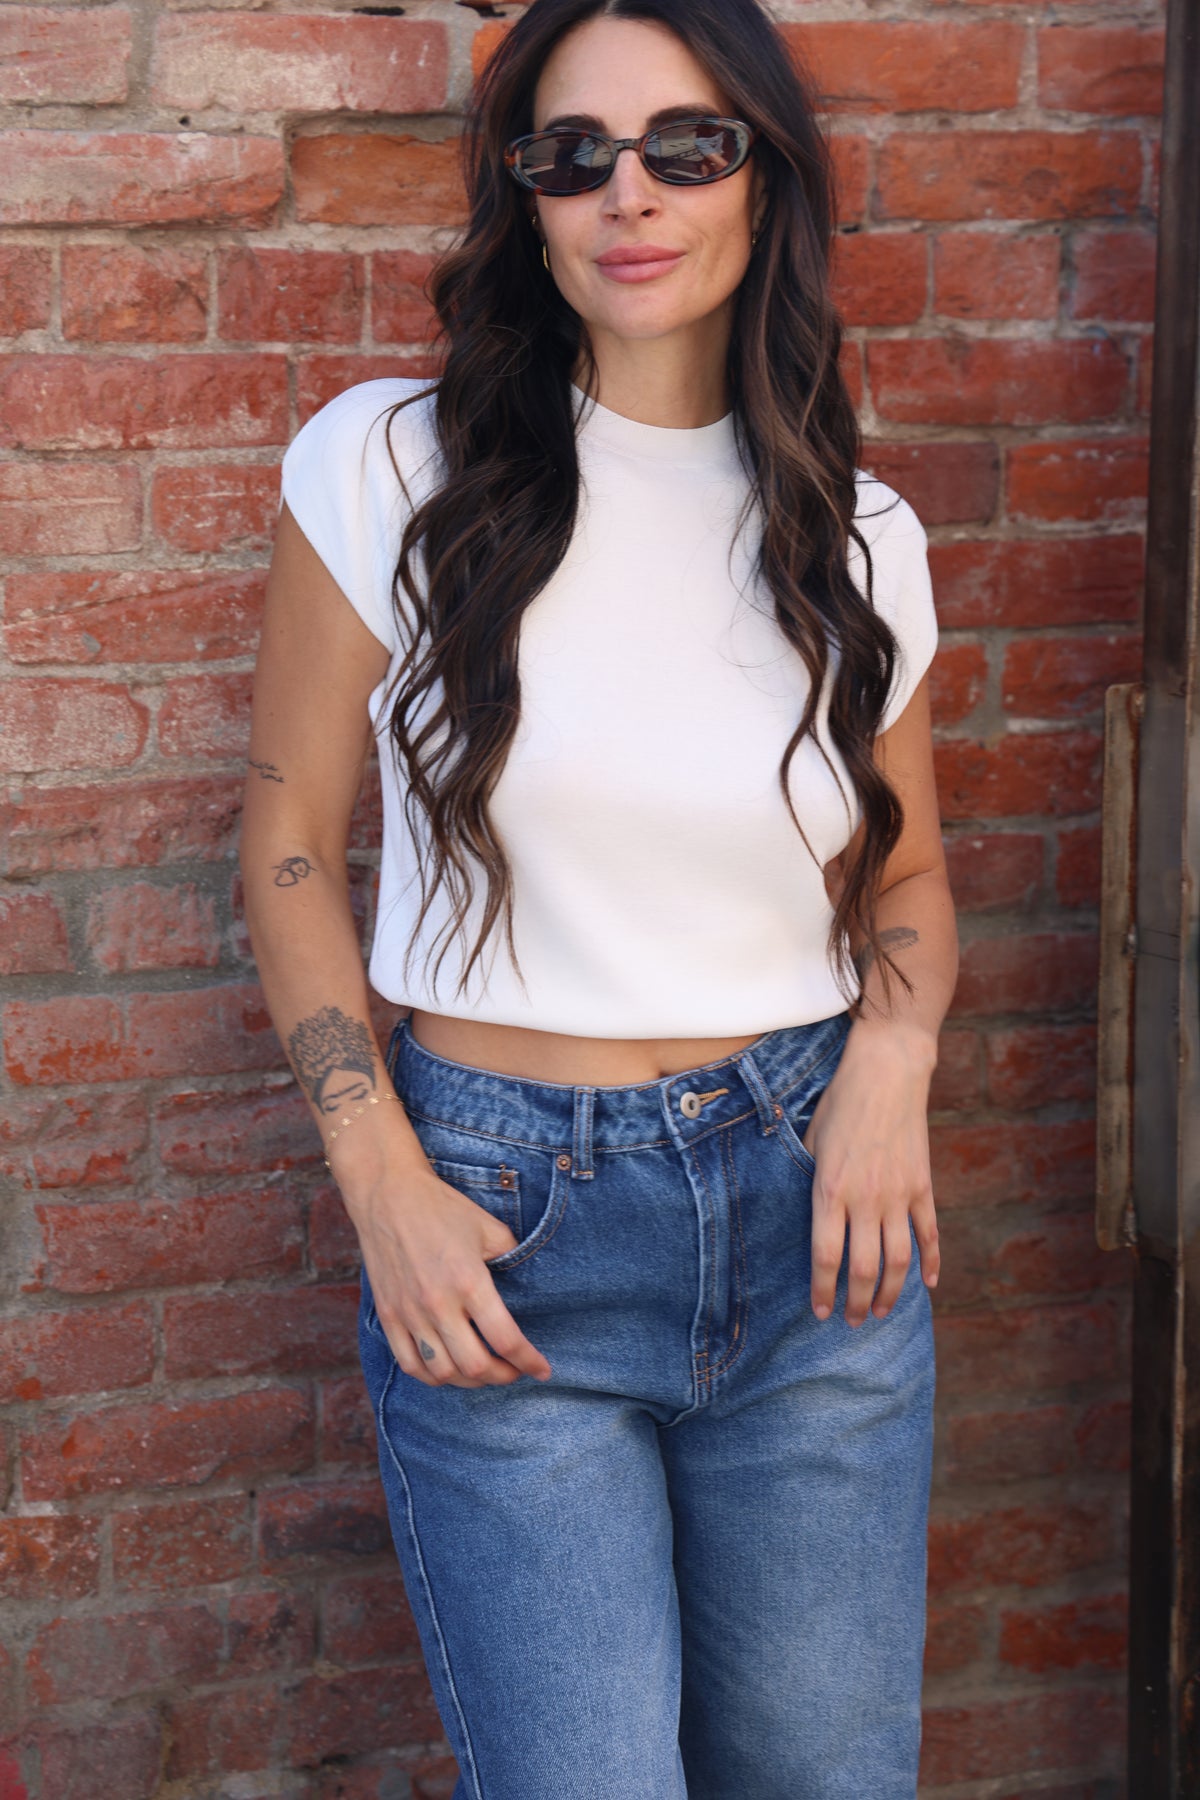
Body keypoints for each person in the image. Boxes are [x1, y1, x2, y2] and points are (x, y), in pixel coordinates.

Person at [241, 0, 958, 1792]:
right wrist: (381, 1180)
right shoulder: (392, 466)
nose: (626, 194)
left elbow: (910, 876)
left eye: (683, 148)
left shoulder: (856, 536)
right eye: (573, 156)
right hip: (504, 1237)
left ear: (762, 180)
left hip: (815, 1227)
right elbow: (285, 838)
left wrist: (893, 1061)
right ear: (529, 202)